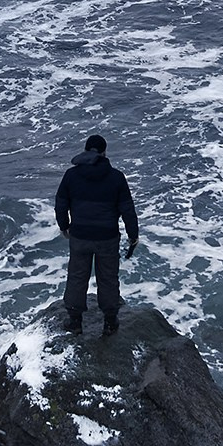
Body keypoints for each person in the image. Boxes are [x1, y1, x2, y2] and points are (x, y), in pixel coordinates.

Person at [54, 133, 139, 336]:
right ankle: (110, 322)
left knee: (77, 277)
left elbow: (61, 204)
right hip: (107, 237)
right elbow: (127, 209)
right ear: (104, 153)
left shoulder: (71, 175)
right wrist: (133, 235)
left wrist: (64, 226)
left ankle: (75, 321)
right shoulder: (116, 177)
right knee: (108, 278)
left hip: (80, 235)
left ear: (85, 151)